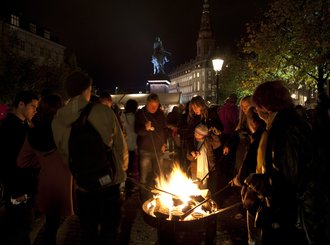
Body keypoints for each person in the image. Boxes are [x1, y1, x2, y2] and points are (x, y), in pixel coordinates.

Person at [243, 80, 326, 244]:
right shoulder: (287, 124)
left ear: (265, 105)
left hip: (291, 217)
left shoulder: (285, 129)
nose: (256, 111)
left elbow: (289, 181)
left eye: (257, 106)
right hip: (293, 212)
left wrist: (258, 181)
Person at [52, 70, 128, 244]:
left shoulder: (58, 118)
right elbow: (120, 147)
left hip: (83, 186)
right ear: (87, 89)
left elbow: (64, 154)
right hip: (108, 184)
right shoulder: (104, 112)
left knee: (88, 229)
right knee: (110, 229)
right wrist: (121, 175)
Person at [17, 94, 73, 245]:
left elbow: (22, 162)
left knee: (50, 226)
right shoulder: (67, 131)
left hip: (47, 185)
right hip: (69, 185)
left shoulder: (33, 133)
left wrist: (41, 160)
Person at [0, 90, 39, 245]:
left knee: (21, 229)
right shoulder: (10, 129)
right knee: (19, 231)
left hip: (22, 189)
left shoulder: (22, 126)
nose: (35, 110)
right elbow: (8, 163)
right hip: (18, 191)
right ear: (21, 104)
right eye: (33, 106)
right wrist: (17, 191)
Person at [135, 93, 167, 202]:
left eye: (156, 106)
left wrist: (164, 143)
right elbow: (137, 130)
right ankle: (144, 199)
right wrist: (145, 128)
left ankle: (159, 197)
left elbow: (164, 129)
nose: (154, 108)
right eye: (151, 106)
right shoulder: (140, 113)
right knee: (144, 176)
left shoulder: (161, 114)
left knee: (159, 174)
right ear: (147, 103)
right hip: (145, 150)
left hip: (158, 149)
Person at [120, 99, 139, 193]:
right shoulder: (136, 117)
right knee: (133, 167)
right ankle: (132, 186)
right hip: (134, 145)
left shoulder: (122, 116)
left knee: (126, 167)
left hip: (125, 145)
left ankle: (127, 186)